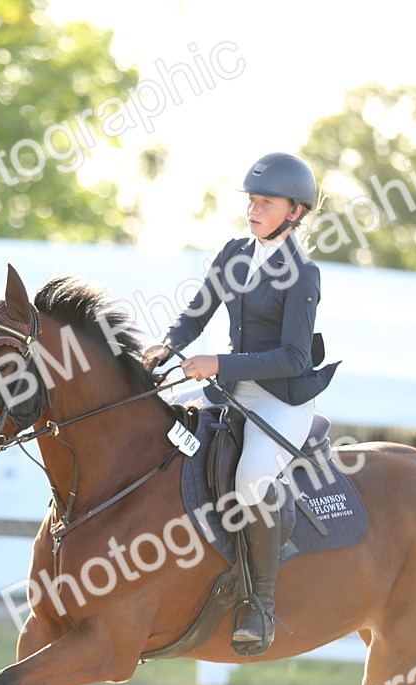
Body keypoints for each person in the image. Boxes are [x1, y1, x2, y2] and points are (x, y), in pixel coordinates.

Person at [140, 152, 338, 654]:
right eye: (252, 201)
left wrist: (220, 365)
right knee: (153, 416)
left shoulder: (303, 274)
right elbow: (196, 312)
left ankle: (261, 604)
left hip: (282, 399)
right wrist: (169, 344)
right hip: (228, 387)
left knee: (252, 479)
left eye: (265, 203)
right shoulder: (233, 253)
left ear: (294, 212)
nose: (253, 210)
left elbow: (294, 358)